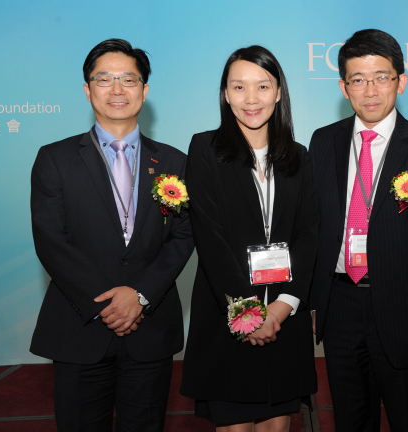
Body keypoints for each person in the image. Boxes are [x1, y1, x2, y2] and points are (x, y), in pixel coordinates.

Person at [30, 38, 194, 431]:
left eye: (129, 80)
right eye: (104, 80)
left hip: (149, 329)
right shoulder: (55, 158)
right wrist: (107, 302)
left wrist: (138, 295)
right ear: (87, 90)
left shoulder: (174, 160)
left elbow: (184, 236)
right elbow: (52, 241)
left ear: (145, 90)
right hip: (79, 327)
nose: (117, 90)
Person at [308, 29, 408, 432]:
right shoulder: (323, 142)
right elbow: (312, 229)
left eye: (382, 76)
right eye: (358, 79)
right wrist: (311, 304)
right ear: (344, 87)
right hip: (340, 305)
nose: (371, 89)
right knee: (349, 421)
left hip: (406, 312)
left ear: (402, 81)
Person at [179, 46, 319, 431]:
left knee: (277, 424)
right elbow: (210, 239)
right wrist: (248, 312)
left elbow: (309, 234)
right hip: (228, 316)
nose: (251, 98)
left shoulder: (299, 157)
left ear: (278, 92)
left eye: (262, 86)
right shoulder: (205, 150)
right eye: (239, 87)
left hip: (284, 320)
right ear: (225, 94)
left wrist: (284, 306)